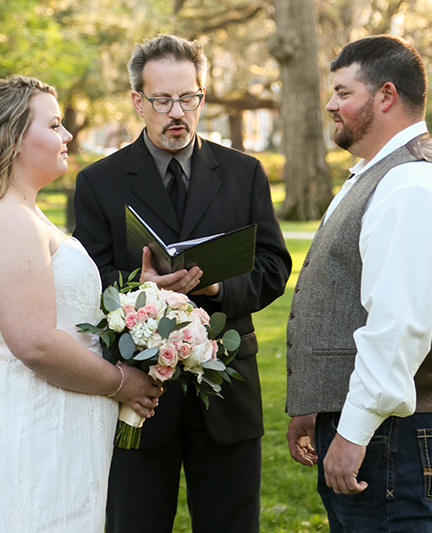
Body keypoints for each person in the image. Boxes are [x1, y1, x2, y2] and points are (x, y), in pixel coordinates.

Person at [73, 34, 292, 533]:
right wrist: (140, 289)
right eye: (163, 100)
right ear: (138, 102)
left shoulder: (245, 173)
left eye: (189, 97)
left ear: (202, 96)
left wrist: (216, 289)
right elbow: (89, 277)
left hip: (227, 394)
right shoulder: (99, 182)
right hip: (140, 395)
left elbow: (274, 267)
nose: (178, 112)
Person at [0, 75, 162, 533]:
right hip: (22, 425)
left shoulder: (22, 211)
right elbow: (34, 342)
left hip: (48, 421)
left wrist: (147, 296)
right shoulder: (3, 219)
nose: (68, 135)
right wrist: (120, 382)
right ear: (14, 139)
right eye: (54, 125)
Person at [286, 35, 432, 532]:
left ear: (386, 96)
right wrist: (318, 403)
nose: (331, 105)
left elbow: (398, 325)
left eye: (343, 92)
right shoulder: (378, 174)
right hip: (374, 422)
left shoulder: (411, 183)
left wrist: (354, 433)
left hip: (389, 431)